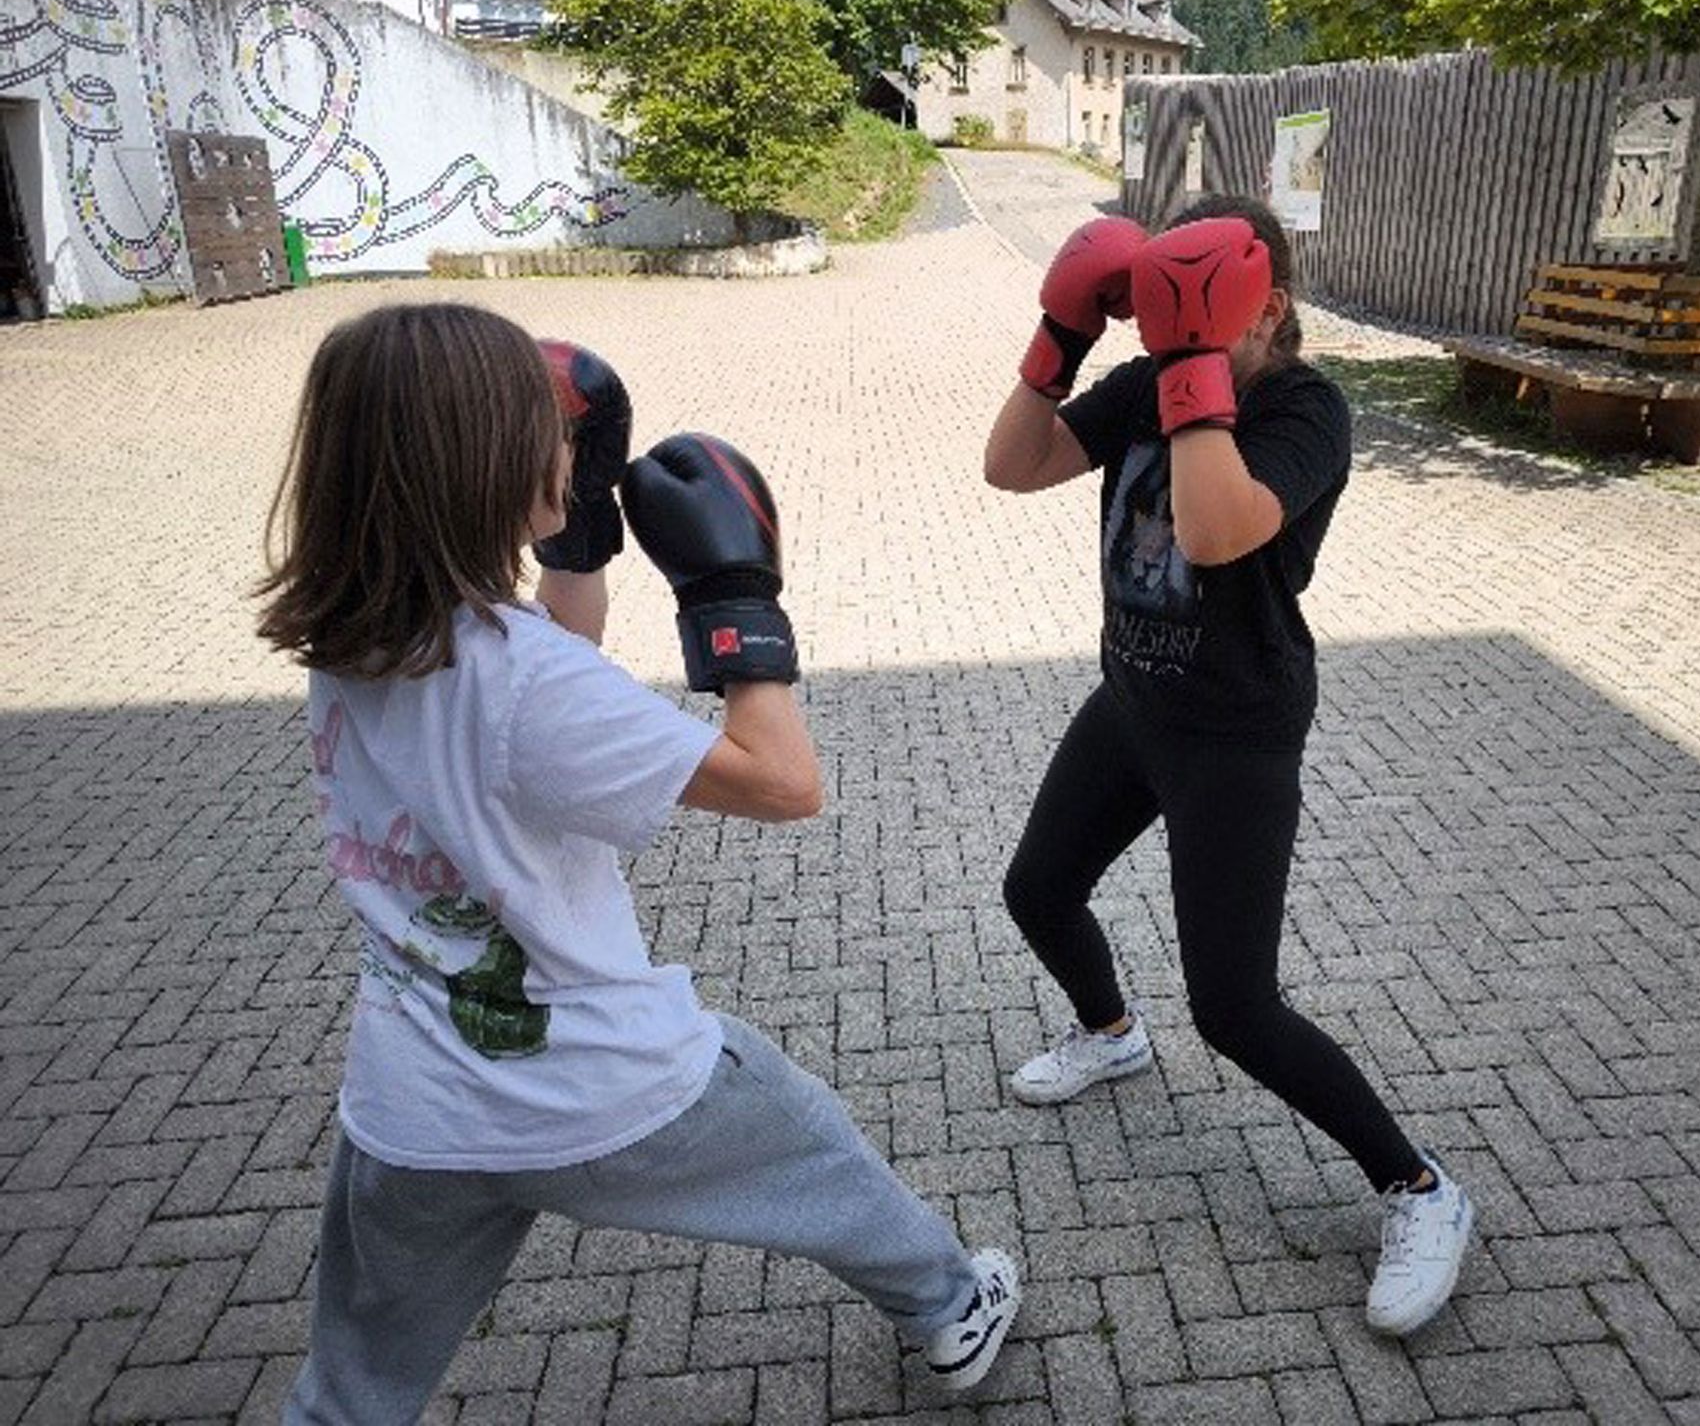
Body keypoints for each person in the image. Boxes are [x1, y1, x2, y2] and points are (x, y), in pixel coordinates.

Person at [258, 303, 1019, 1421]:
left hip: (416, 1106)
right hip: (599, 1082)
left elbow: (541, 694)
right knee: (813, 1142)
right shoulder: (522, 680)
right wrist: (734, 601)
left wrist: (572, 544)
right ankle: (953, 1303)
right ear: (482, 465)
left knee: (353, 1394)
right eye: (548, 436)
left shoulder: (360, 634)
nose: (570, 449)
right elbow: (783, 782)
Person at [984, 197, 1474, 1336]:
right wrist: (1061, 337)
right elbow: (1014, 466)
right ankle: (1111, 1035)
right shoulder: (1152, 375)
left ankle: (1421, 1189)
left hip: (1238, 733)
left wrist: (1196, 356)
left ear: (1272, 308)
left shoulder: (1306, 407)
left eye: (1192, 310)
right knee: (1037, 890)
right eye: (1162, 310)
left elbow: (1215, 530)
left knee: (1236, 1007)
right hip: (1136, 700)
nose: (1168, 337)